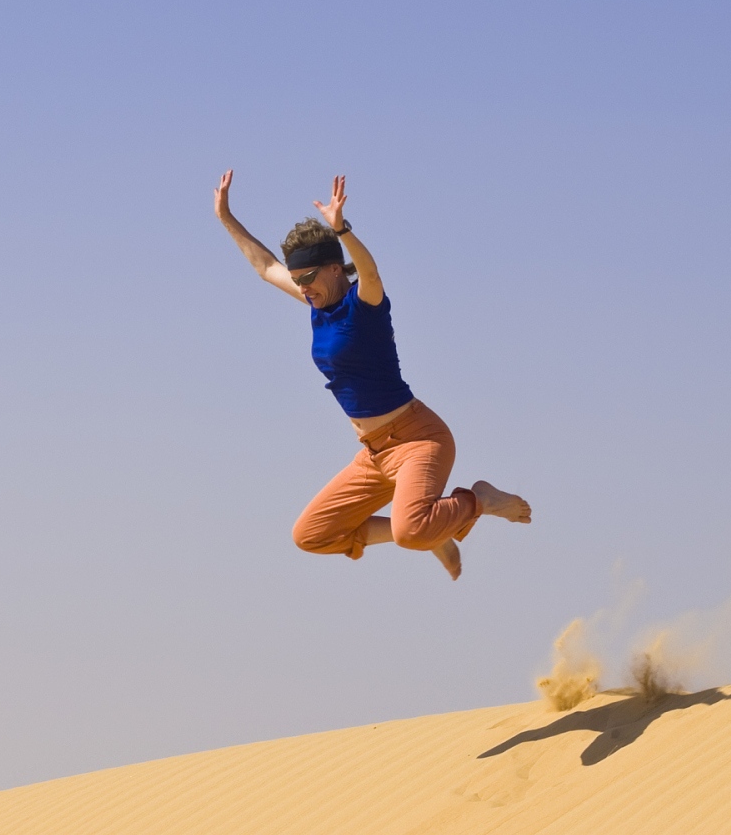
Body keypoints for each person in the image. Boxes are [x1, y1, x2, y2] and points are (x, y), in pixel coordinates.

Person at [213, 170, 531, 580]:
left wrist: (342, 229)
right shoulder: (317, 303)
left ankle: (479, 501)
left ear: (333, 269)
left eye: (307, 279)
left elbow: (372, 272)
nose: (302, 288)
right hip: (375, 454)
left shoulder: (365, 305)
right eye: (297, 281)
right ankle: (437, 529)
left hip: (418, 439)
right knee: (311, 534)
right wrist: (225, 216)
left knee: (411, 530)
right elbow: (264, 266)